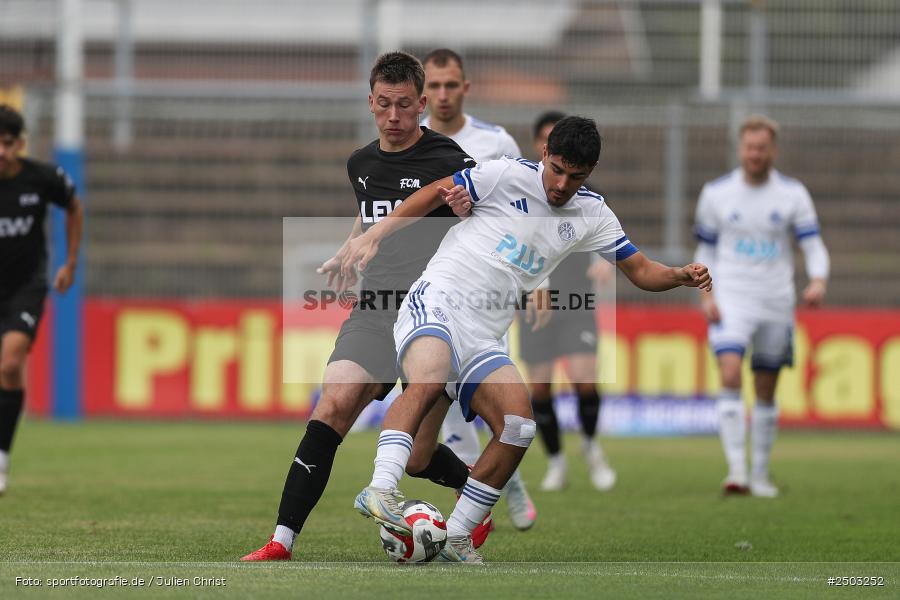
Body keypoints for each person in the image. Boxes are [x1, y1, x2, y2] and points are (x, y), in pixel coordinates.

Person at [344, 116, 712, 562]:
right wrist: (378, 232)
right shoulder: (504, 174)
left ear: (590, 171)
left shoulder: (593, 213)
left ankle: (458, 534)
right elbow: (433, 191)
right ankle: (381, 489)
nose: (561, 184)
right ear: (544, 155)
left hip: (485, 334)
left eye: (575, 176)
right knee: (428, 376)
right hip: (438, 299)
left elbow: (640, 270)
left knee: (515, 426)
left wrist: (678, 276)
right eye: (556, 168)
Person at [241, 51, 486, 561]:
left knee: (418, 457)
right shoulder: (361, 163)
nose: (393, 117)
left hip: (432, 314)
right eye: (383, 105)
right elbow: (371, 213)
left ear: (421, 104)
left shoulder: (450, 159)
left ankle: (471, 495)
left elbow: (483, 219)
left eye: (403, 105)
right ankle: (281, 541)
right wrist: (350, 247)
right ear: (370, 103)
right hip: (374, 309)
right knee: (331, 405)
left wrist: (464, 208)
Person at [421, 47, 536, 530]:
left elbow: (531, 216)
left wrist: (540, 279)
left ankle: (503, 482)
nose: (443, 95)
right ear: (422, 90)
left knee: (486, 404)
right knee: (443, 405)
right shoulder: (409, 140)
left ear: (466, 88)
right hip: (427, 283)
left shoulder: (495, 141)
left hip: (487, 288)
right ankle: (480, 506)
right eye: (435, 86)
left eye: (452, 85)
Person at [694, 114, 829, 498]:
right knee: (731, 371)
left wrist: (818, 280)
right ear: (741, 149)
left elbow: (812, 243)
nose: (755, 154)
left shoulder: (793, 194)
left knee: (766, 387)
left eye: (762, 148)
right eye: (749, 147)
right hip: (731, 297)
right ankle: (736, 471)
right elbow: (705, 248)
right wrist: (707, 294)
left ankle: (760, 473)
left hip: (775, 300)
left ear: (773, 150)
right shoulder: (716, 194)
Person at [518, 111, 616, 492]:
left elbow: (606, 235)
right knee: (540, 389)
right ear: (542, 148)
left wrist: (606, 262)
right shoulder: (519, 191)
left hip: (576, 300)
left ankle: (591, 448)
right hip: (531, 306)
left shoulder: (584, 193)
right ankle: (556, 462)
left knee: (584, 380)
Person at [0, 104, 83, 495]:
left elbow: (74, 205)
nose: (1, 150)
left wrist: (70, 262)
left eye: (8, 142)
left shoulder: (42, 178)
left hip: (26, 287)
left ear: (20, 143)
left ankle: (0, 457)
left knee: (11, 360)